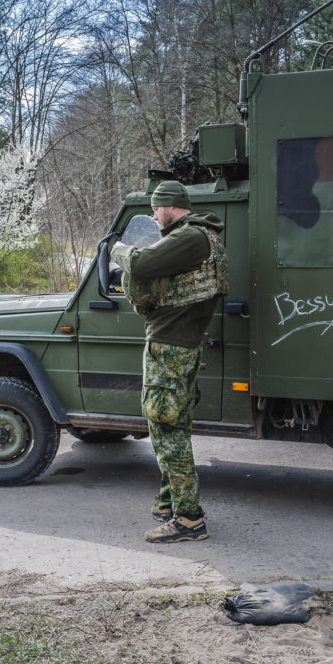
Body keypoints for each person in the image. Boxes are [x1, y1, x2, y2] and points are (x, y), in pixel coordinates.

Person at [111, 180, 228, 543]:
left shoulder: (190, 236)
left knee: (166, 429)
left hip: (171, 347)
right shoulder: (199, 235)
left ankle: (189, 519)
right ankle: (167, 501)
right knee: (170, 423)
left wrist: (115, 249)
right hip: (180, 345)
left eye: (155, 209)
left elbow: (142, 263)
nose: (152, 215)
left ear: (170, 206)